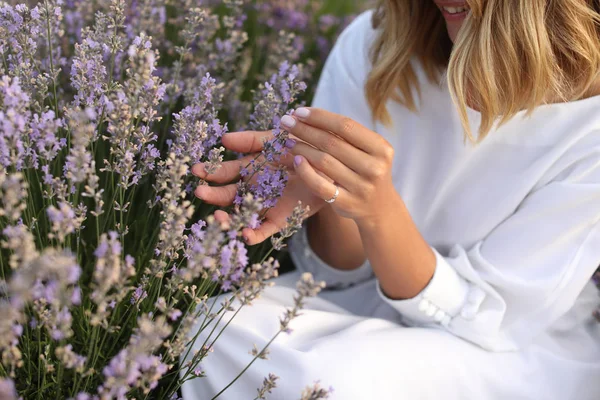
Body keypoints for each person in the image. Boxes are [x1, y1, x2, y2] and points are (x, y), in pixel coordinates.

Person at [183, 1, 600, 399]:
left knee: (330, 384)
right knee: (213, 333)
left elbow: (485, 316)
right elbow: (341, 272)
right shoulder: (378, 44)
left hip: (505, 346)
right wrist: (324, 193)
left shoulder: (590, 123)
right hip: (366, 303)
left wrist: (379, 211)